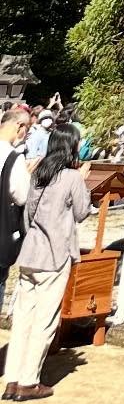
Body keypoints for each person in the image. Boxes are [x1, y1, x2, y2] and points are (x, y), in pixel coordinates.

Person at [2, 125, 91, 400]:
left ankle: (13, 379)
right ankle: (29, 381)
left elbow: (27, 215)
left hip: (30, 254)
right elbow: (82, 212)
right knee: (44, 319)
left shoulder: (38, 174)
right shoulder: (71, 177)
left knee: (24, 318)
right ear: (72, 146)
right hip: (54, 255)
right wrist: (83, 181)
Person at [1, 104, 34, 316]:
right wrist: (28, 174)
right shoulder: (13, 158)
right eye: (27, 129)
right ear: (19, 126)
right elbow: (22, 195)